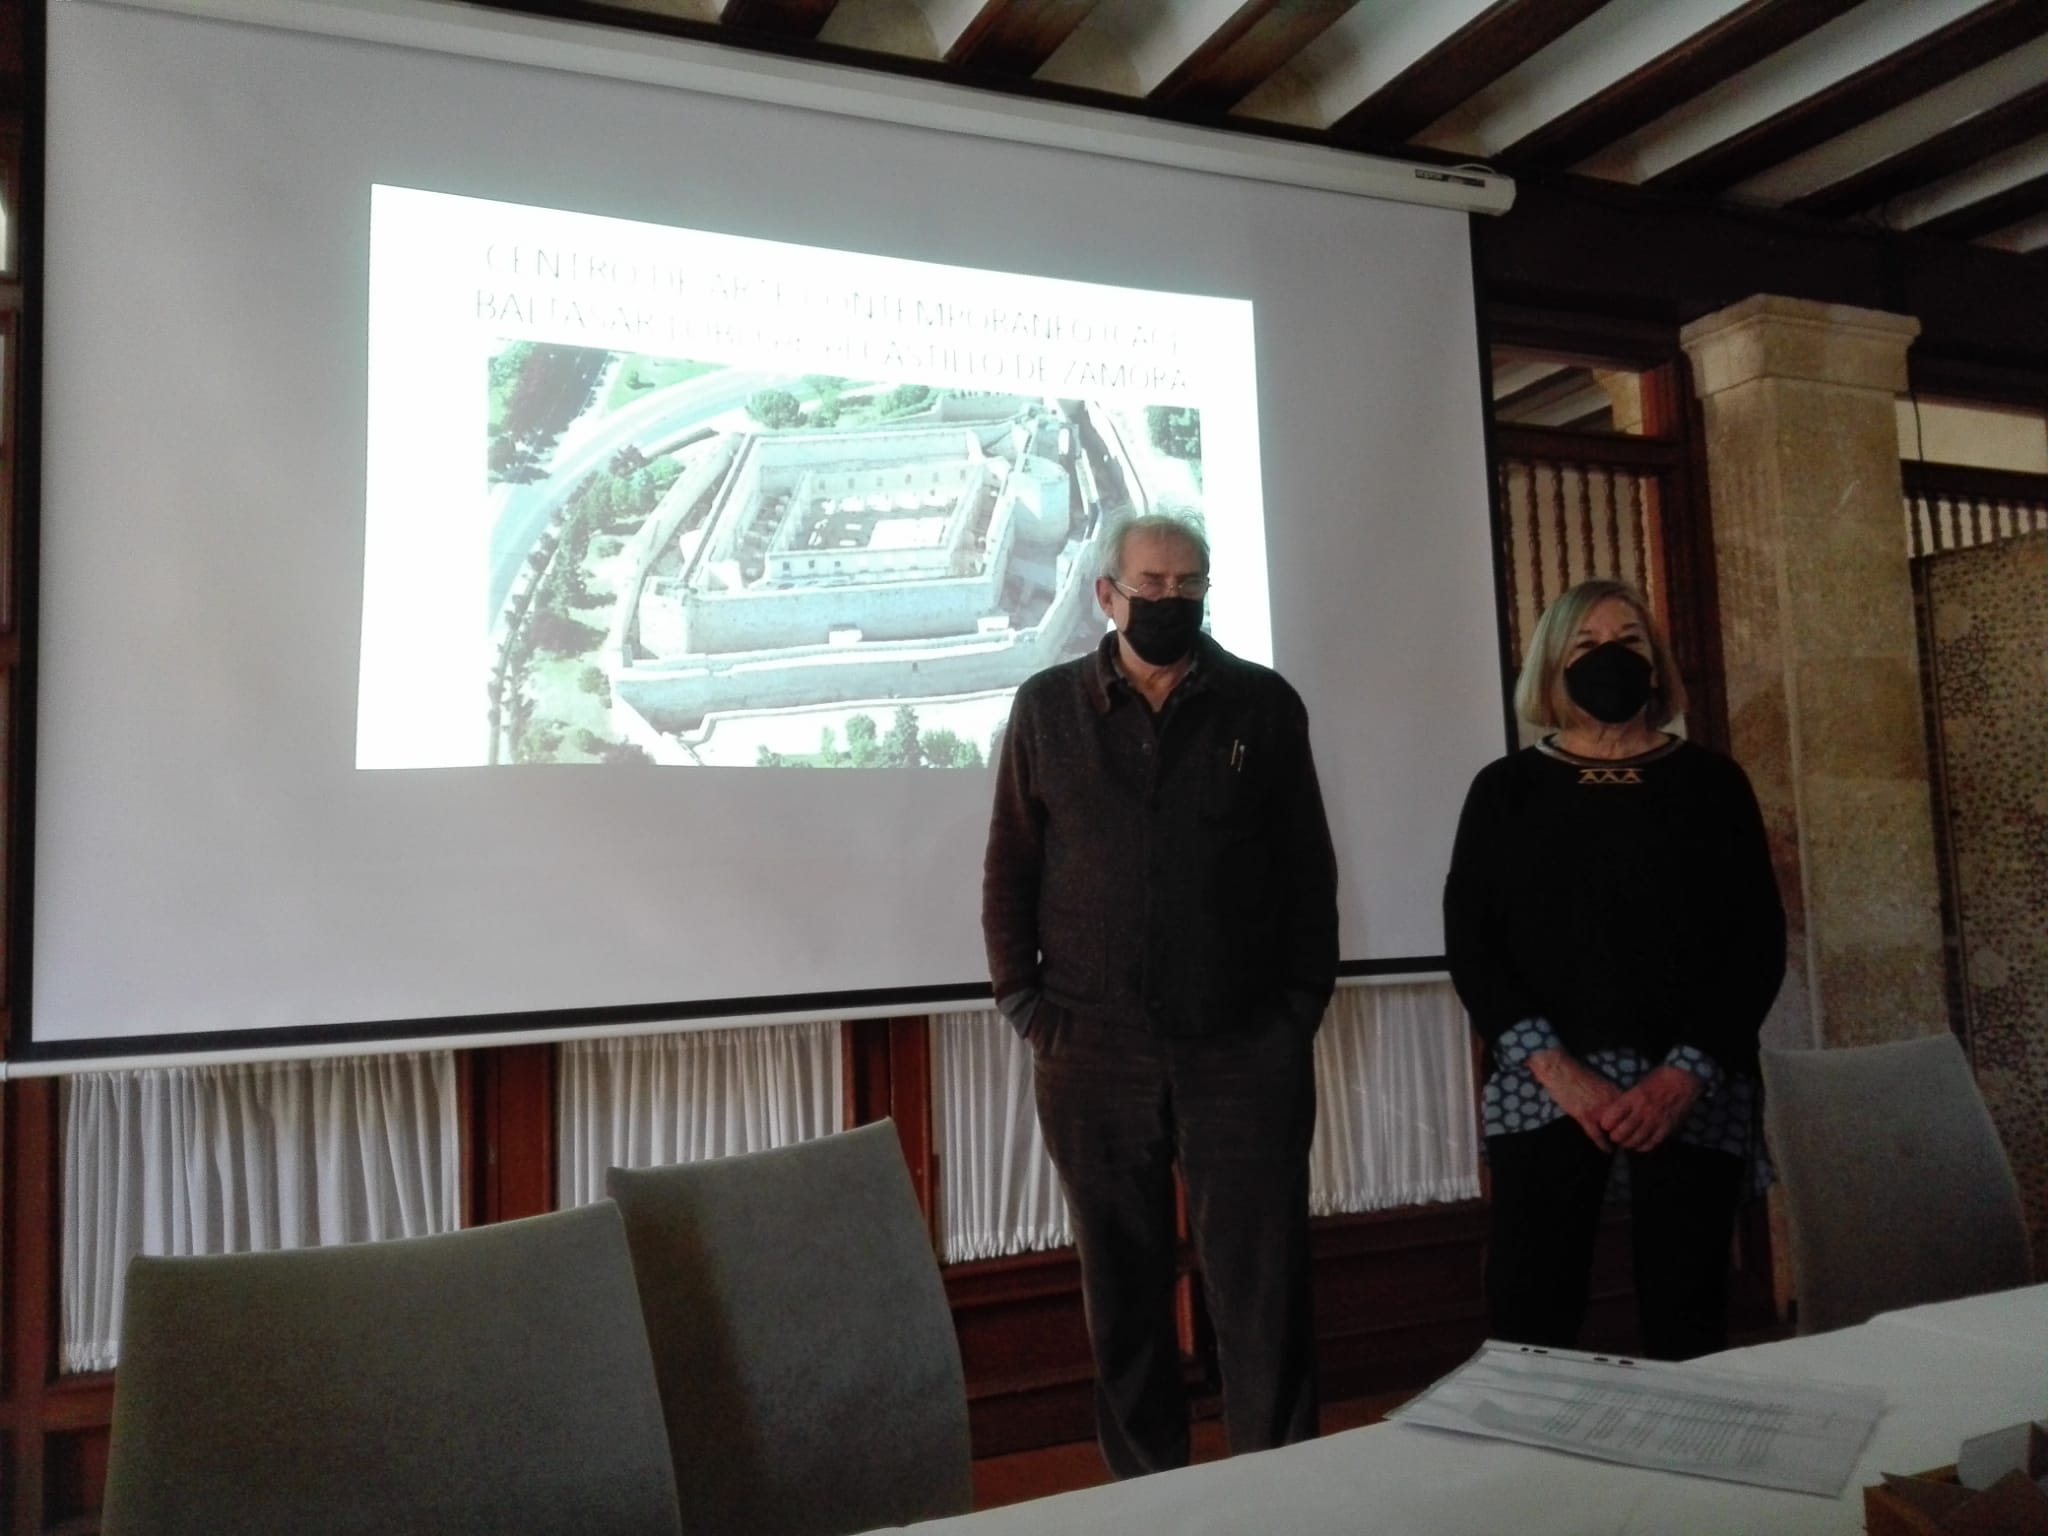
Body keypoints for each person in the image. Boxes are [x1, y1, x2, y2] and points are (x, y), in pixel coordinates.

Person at [982, 513, 1339, 1478]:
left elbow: (1307, 868)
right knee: (1122, 1288)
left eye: (1188, 584)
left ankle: (1279, 1487)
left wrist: (1297, 1008)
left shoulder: (1262, 706)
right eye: (1152, 583)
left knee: (1263, 1288)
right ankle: (1147, 1496)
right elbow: (1012, 865)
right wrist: (1026, 1002)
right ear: (1108, 592)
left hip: (1243, 1046)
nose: (1169, 600)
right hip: (1090, 1049)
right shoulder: (1047, 707)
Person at [1444, 578, 1785, 1361]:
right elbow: (1475, 947)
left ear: (1657, 664)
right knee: (1532, 1315)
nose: (1611, 660)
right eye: (1587, 646)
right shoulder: (1505, 791)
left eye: (1629, 642)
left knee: (1688, 1314)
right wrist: (1559, 1073)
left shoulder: (1713, 784)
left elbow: (1755, 944)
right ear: (1552, 668)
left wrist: (1681, 1076)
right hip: (1547, 1085)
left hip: (1691, 1085)